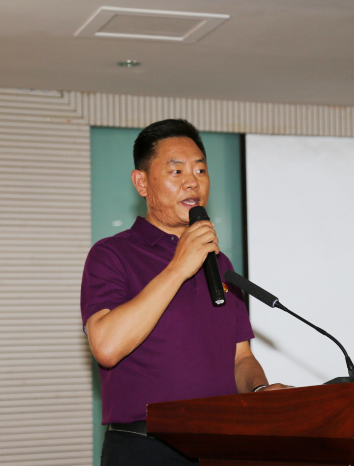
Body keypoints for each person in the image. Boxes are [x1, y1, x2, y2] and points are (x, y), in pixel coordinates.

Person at [80, 119, 288, 466]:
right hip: (145, 447)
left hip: (220, 444)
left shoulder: (219, 262)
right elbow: (107, 347)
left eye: (200, 170)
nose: (192, 181)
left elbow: (240, 358)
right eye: (176, 171)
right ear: (141, 182)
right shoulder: (112, 254)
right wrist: (178, 268)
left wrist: (260, 391)